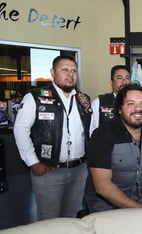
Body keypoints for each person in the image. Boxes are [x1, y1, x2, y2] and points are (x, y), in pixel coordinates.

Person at [13, 55, 92, 220]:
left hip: (79, 170)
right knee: (49, 220)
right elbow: (20, 129)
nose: (70, 74)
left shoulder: (83, 100)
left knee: (71, 217)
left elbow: (89, 131)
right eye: (65, 70)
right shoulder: (35, 97)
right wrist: (33, 162)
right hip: (49, 170)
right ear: (53, 72)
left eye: (74, 71)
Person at [84, 84, 142, 212]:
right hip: (105, 207)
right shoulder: (103, 135)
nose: (138, 109)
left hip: (140, 200)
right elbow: (103, 186)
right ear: (120, 109)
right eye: (131, 104)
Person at [89, 65, 131, 135]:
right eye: (119, 78)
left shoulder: (137, 102)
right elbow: (92, 131)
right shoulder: (99, 102)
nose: (124, 81)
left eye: (127, 78)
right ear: (111, 82)